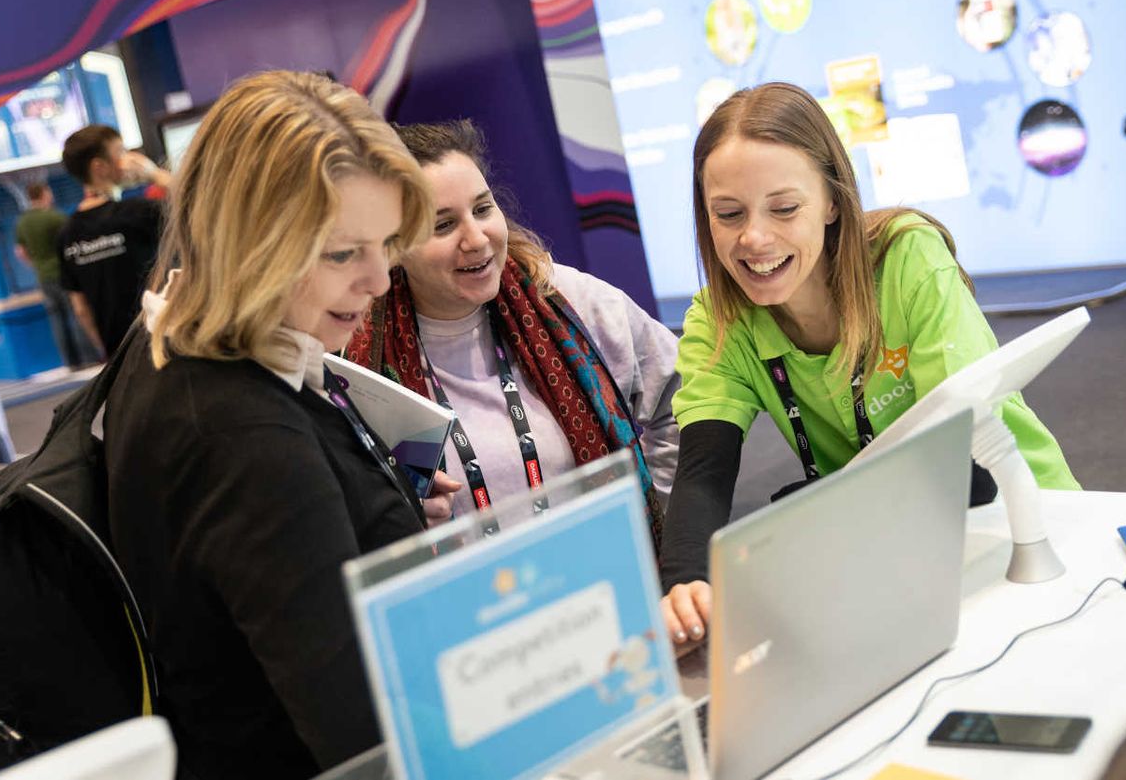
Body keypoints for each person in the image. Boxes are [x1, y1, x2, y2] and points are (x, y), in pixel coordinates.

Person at [659, 82, 1079, 650]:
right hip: (894, 548)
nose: (754, 238)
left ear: (833, 200)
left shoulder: (907, 257)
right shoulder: (718, 319)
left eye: (784, 208)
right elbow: (703, 472)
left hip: (1022, 517)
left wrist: (810, 508)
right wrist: (686, 582)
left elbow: (969, 473)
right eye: (727, 213)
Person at [104, 70, 435, 779]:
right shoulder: (239, 433)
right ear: (250, 243)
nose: (379, 280)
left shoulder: (172, 343)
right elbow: (366, 735)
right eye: (344, 252)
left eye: (386, 244)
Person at [344, 119, 679, 547]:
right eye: (443, 226)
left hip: (611, 586)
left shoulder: (568, 302)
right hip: (473, 606)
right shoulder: (359, 358)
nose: (477, 238)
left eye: (483, 209)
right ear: (392, 247)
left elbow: (685, 398)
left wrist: (650, 516)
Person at [58, 124, 171, 358]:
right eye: (121, 152)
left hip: (120, 357)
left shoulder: (66, 234)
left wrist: (109, 355)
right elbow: (201, 201)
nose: (129, 159)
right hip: (162, 347)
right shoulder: (139, 213)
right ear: (99, 167)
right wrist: (153, 174)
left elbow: (81, 309)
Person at [13, 182, 99, 369]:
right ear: (45, 193)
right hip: (63, 273)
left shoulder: (23, 222)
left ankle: (71, 362)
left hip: (43, 276)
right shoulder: (55, 217)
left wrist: (36, 264)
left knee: (57, 319)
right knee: (76, 313)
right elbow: (72, 242)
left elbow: (20, 251)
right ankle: (88, 358)